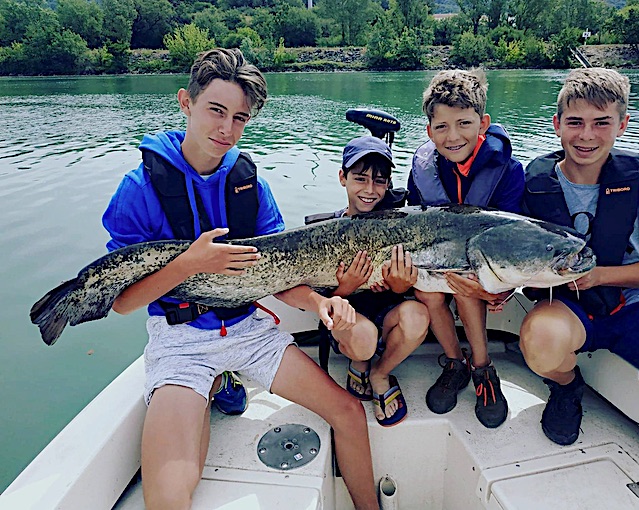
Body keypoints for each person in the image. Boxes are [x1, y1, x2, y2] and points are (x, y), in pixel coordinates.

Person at [102, 48, 380, 510]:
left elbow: (276, 275)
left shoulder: (251, 185)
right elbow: (122, 302)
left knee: (349, 413)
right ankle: (211, 383)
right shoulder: (139, 189)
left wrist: (318, 304)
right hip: (181, 341)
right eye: (216, 110)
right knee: (170, 492)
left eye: (240, 118)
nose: (226, 129)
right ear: (185, 103)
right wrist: (190, 263)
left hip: (250, 331)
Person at [520, 67, 639, 446]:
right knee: (540, 342)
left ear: (622, 124)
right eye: (575, 122)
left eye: (601, 122)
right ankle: (566, 386)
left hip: (632, 304)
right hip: (565, 306)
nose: (586, 135)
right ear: (557, 124)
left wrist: (599, 276)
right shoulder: (532, 186)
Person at [406, 69, 525, 428]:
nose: (453, 136)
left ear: (483, 123)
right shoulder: (422, 170)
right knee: (428, 292)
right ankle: (454, 361)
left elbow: (511, 239)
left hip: (484, 264)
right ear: (429, 131)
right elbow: (413, 226)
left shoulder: (509, 171)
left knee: (466, 287)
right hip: (434, 258)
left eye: (463, 123)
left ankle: (482, 368)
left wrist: (502, 286)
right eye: (441, 127)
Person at [305, 136, 430, 427]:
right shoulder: (324, 230)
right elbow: (314, 297)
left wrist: (399, 286)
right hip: (352, 328)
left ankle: (380, 373)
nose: (370, 190)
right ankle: (359, 362)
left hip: (388, 318)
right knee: (363, 339)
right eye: (360, 179)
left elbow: (407, 287)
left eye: (379, 181)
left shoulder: (400, 227)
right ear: (342, 177)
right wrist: (346, 287)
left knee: (418, 315)